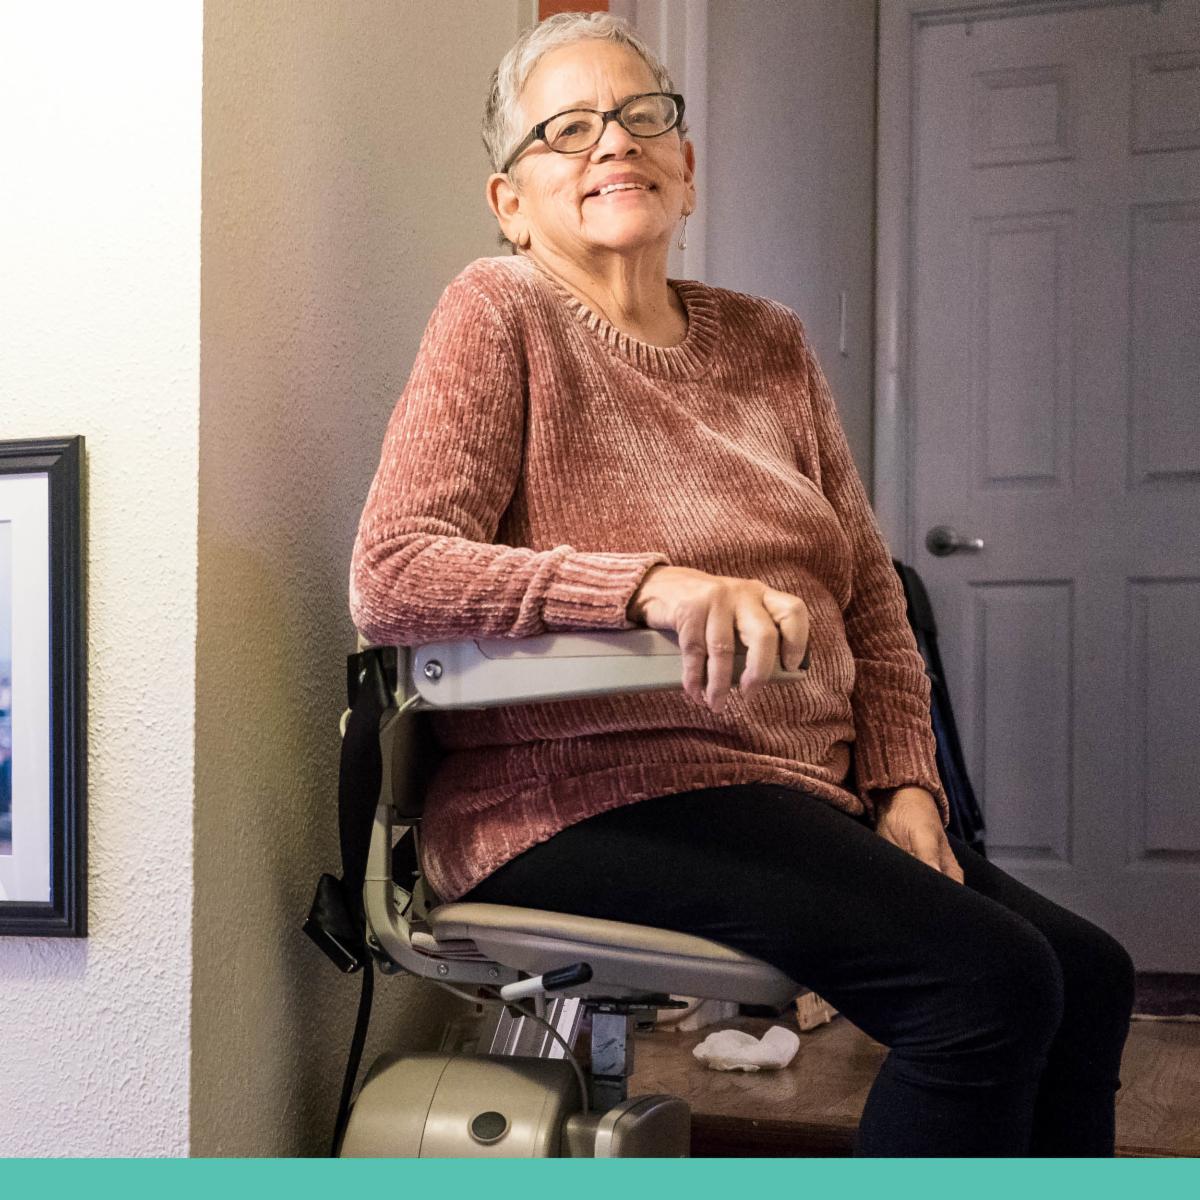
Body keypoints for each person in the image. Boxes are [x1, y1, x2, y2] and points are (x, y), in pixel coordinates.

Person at [350, 11, 1134, 1157]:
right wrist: (649, 585)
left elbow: (868, 591)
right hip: (581, 792)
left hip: (795, 792)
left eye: (640, 117)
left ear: (686, 167)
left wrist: (909, 785)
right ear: (510, 202)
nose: (611, 142)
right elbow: (394, 570)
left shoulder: (770, 343)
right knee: (986, 983)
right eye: (566, 130)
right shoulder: (498, 311)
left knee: (1089, 974)